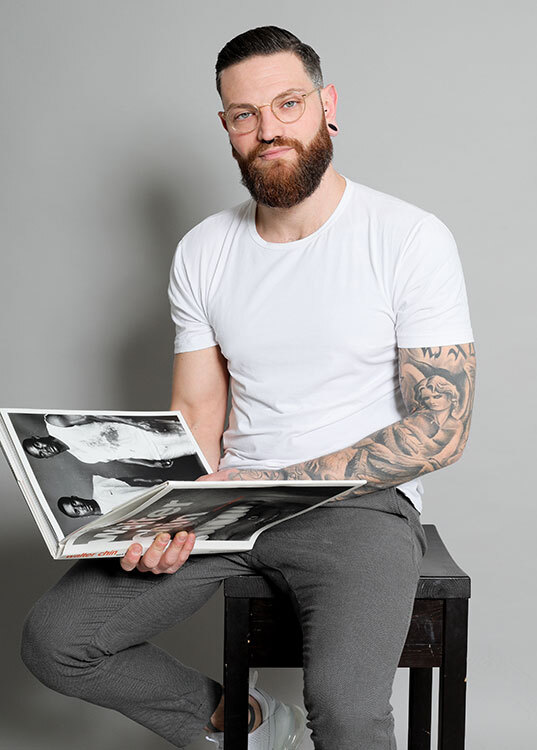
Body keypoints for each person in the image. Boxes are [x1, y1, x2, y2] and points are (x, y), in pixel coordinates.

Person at [20, 26, 476, 750]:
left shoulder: (409, 238)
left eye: (288, 104)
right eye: (244, 114)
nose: (268, 130)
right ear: (227, 126)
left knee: (348, 712)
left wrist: (280, 483)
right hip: (225, 503)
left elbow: (440, 429)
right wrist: (161, 514)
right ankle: (251, 724)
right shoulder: (203, 249)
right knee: (56, 642)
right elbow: (197, 411)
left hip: (356, 507)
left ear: (326, 105)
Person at [22, 413, 194, 467]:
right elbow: (120, 458)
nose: (44, 450)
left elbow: (96, 414)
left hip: (147, 432)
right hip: (155, 453)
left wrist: (137, 423)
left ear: (37, 437)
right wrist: (152, 464)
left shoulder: (56, 423)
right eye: (41, 454)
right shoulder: (82, 457)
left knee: (198, 431)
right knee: (197, 448)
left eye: (38, 445)